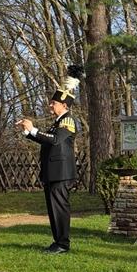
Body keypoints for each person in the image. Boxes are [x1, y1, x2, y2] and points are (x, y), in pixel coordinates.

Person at [18, 64, 81, 254]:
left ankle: (62, 244)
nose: (50, 105)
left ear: (64, 105)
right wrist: (29, 132)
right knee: (53, 209)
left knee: (59, 209)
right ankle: (58, 242)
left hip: (61, 173)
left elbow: (55, 140)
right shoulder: (57, 122)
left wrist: (34, 129)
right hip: (53, 173)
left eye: (53, 103)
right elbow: (47, 139)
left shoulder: (67, 120)